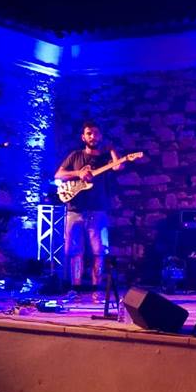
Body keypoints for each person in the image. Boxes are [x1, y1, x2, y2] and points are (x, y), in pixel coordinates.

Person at [54, 121, 123, 293]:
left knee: (99, 252)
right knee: (75, 251)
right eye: (89, 133)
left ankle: (95, 289)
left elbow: (119, 166)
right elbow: (58, 175)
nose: (93, 136)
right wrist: (78, 173)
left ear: (101, 136)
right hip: (75, 210)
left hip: (98, 209)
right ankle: (75, 288)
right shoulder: (75, 156)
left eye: (96, 133)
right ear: (83, 137)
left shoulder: (105, 159)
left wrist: (112, 150)